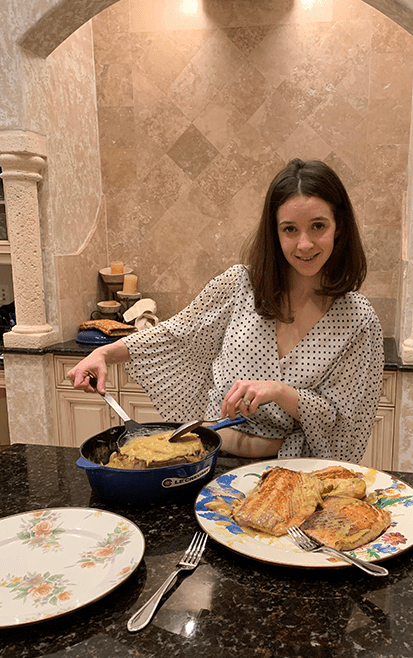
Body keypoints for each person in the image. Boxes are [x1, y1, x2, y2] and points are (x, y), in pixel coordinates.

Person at [68, 158, 385, 463]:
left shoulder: (358, 320)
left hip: (292, 475)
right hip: (207, 463)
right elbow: (176, 334)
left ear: (338, 227)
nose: (304, 244)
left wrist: (280, 392)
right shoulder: (239, 285)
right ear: (274, 231)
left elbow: (344, 424)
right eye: (290, 229)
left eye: (318, 226)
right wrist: (105, 354)